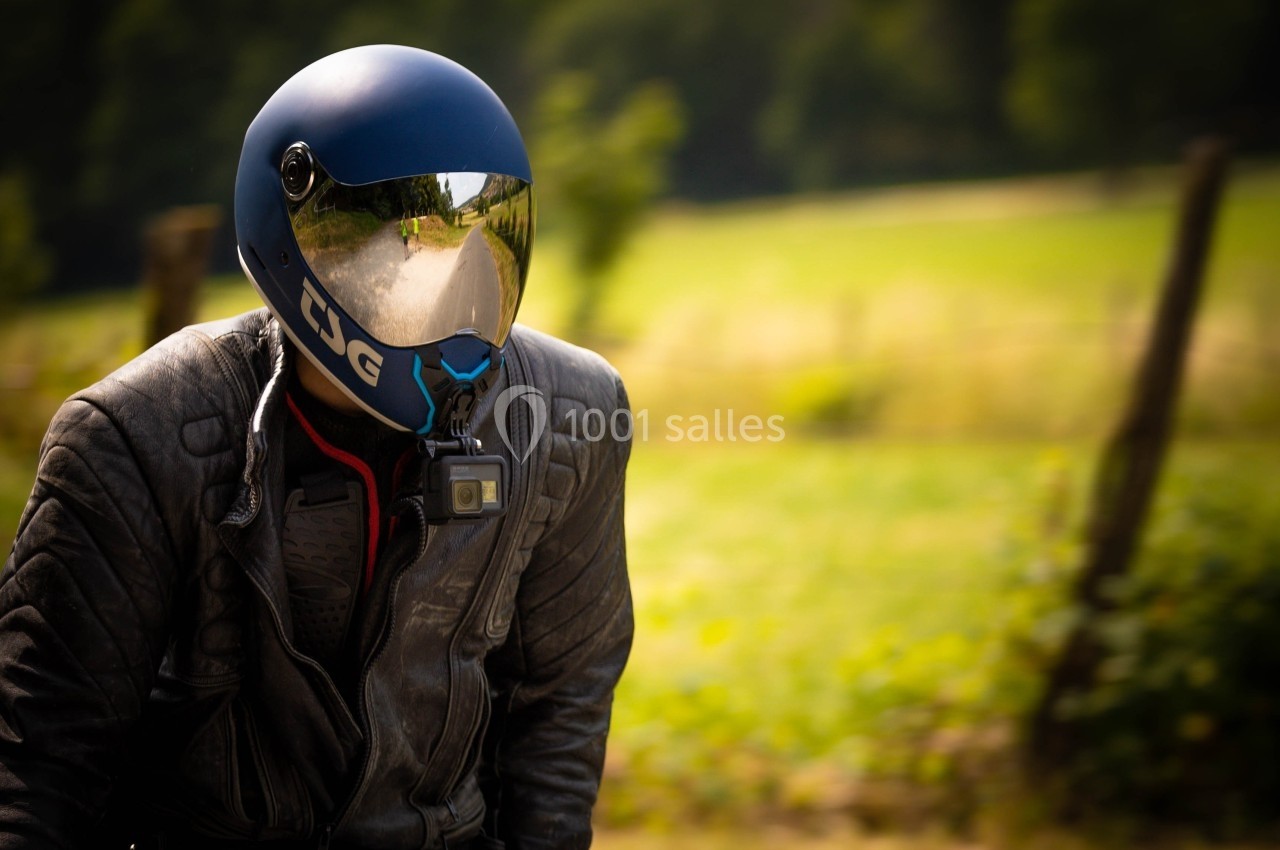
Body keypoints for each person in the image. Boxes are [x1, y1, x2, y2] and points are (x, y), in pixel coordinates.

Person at [0, 45, 633, 850]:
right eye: (404, 245)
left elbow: (560, 704)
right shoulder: (133, 438)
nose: (456, 286)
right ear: (296, 232)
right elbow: (41, 766)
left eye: (484, 236)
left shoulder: (569, 414)